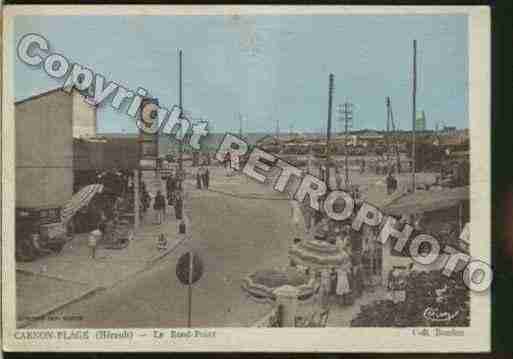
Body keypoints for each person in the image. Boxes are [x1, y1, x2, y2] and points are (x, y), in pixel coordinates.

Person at [336, 241, 352, 305]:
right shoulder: (341, 254)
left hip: (343, 272)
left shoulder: (343, 254)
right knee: (342, 286)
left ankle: (344, 301)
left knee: (343, 286)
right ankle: (342, 302)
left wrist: (346, 268)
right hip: (341, 272)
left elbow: (348, 263)